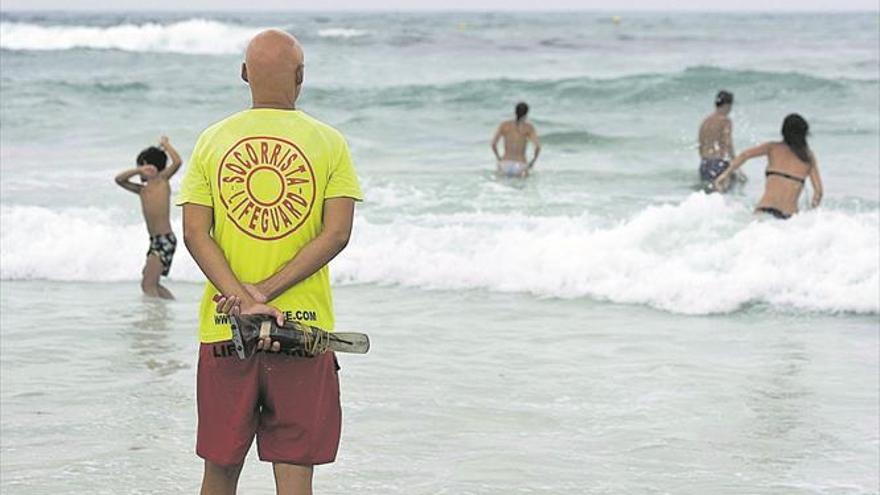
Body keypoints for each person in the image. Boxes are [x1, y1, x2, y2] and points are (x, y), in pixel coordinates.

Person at [177, 29, 363, 495]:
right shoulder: (330, 142)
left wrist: (243, 299)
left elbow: (196, 234)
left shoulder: (211, 141)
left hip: (226, 330)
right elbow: (336, 234)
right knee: (295, 473)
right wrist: (266, 294)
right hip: (303, 331)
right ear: (301, 76)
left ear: (244, 75)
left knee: (220, 470)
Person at [714, 113, 823, 219]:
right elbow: (818, 192)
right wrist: (810, 216)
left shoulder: (772, 148)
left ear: (783, 131)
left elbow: (745, 155)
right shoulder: (808, 157)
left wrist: (725, 174)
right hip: (789, 219)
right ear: (804, 134)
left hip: (764, 211)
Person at [115, 136, 182, 299]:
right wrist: (138, 170)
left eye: (140, 166)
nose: (140, 172)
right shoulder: (142, 190)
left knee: (148, 284)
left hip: (165, 240)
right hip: (155, 241)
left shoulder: (162, 181)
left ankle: (155, 317)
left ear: (147, 164)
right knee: (152, 283)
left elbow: (178, 162)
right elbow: (119, 179)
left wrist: (166, 145)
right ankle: (170, 306)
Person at [698, 90, 744, 191]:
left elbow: (700, 145)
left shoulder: (705, 121)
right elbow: (728, 143)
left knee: (709, 195)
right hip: (719, 163)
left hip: (704, 164)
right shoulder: (725, 120)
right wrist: (736, 165)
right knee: (732, 189)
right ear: (727, 105)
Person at [491, 102, 541, 178]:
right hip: (520, 164)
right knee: (520, 189)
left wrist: (498, 158)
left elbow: (493, 144)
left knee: (500, 188)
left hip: (505, 163)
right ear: (526, 113)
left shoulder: (504, 125)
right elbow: (537, 147)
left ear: (515, 112)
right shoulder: (528, 128)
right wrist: (532, 161)